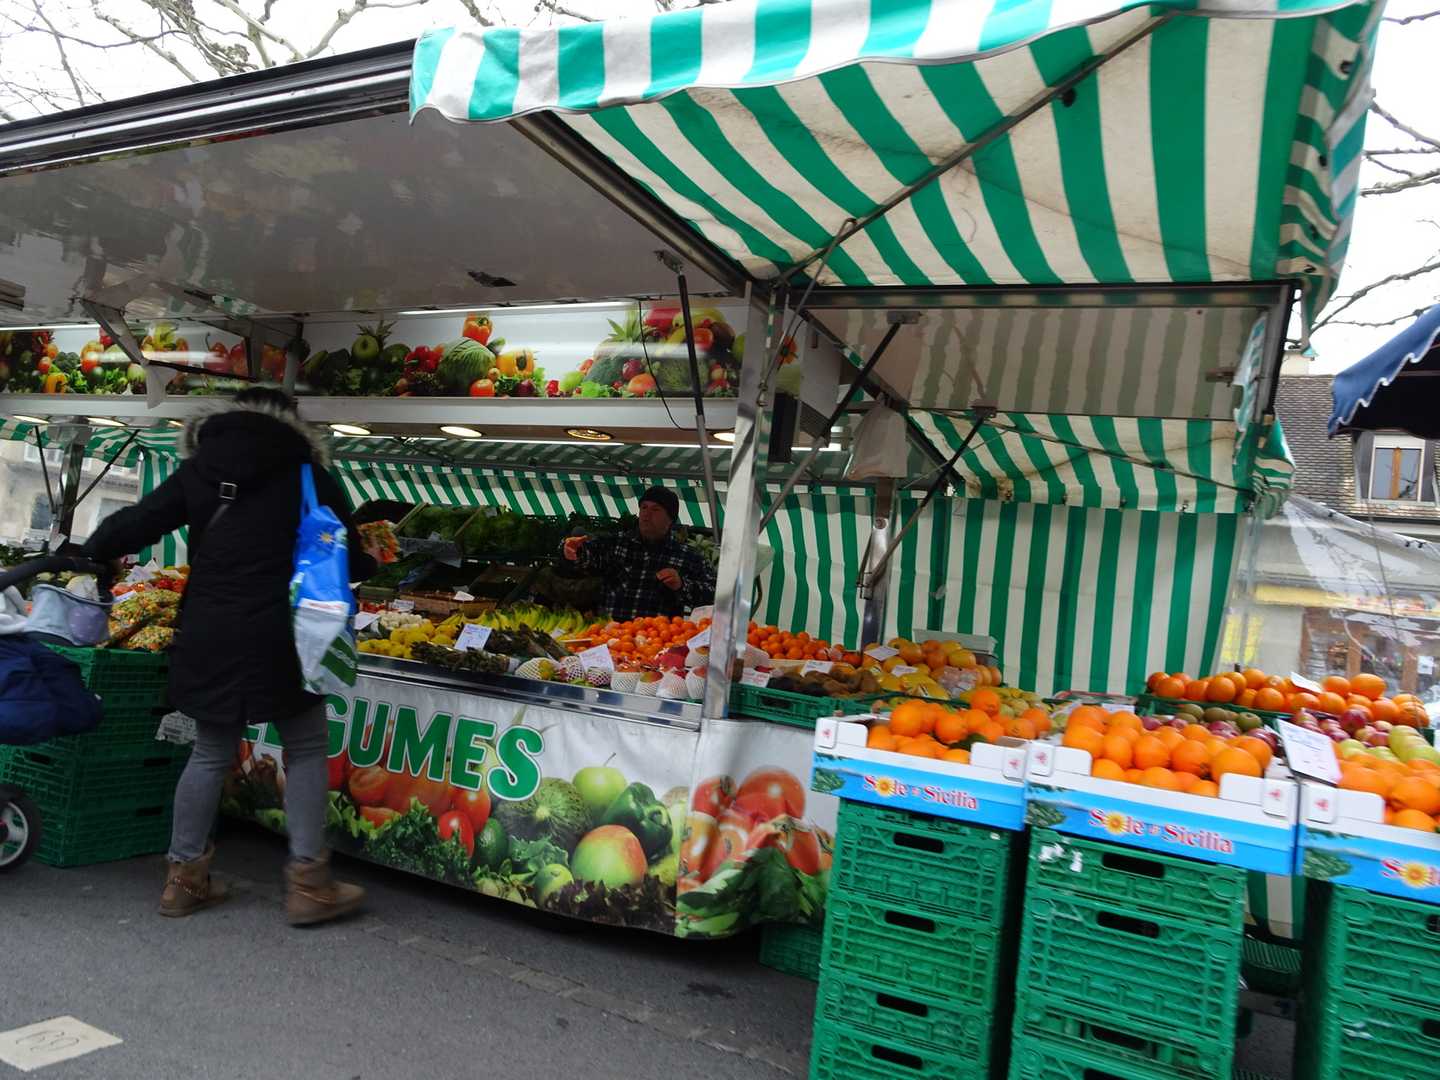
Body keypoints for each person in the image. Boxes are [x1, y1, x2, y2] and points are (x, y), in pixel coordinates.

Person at [82, 387, 377, 925]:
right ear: (291, 422)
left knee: (210, 750)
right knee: (305, 747)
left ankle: (183, 880)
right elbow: (350, 557)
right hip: (284, 635)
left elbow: (139, 521)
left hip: (210, 628)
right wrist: (371, 561)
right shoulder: (309, 475)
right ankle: (309, 885)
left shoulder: (201, 468)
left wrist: (89, 551)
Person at [560, 486, 716, 622]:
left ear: (670, 519)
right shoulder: (616, 543)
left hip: (660, 639)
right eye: (644, 507)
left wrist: (682, 585)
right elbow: (589, 556)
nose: (647, 514)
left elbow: (714, 594)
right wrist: (572, 551)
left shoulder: (688, 557)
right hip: (612, 635)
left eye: (655, 509)